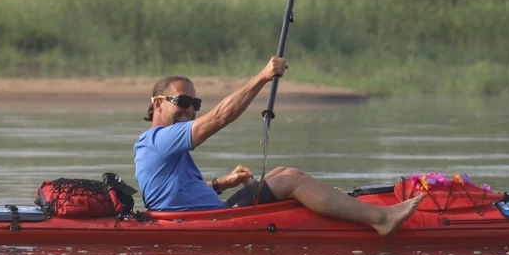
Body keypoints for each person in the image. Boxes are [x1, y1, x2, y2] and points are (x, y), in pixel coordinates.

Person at [134, 56, 423, 236]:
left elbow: (174, 193)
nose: (191, 110)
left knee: (280, 172)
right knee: (290, 179)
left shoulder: (153, 145)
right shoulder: (161, 139)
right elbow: (220, 117)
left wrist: (223, 182)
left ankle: (344, 207)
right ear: (158, 104)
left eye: (195, 104)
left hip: (204, 210)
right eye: (183, 102)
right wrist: (262, 77)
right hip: (206, 220)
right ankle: (381, 218)